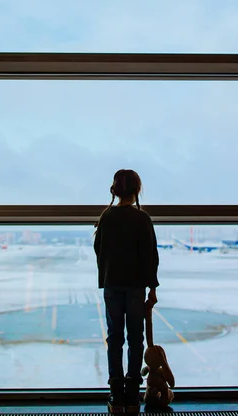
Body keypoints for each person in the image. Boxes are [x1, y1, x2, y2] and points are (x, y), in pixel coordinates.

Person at [94, 169, 159, 414]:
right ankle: (133, 394)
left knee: (115, 338)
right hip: (135, 287)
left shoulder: (107, 217)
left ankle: (116, 393)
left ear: (115, 190)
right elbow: (150, 256)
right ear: (136, 190)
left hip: (112, 284)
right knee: (135, 338)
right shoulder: (142, 219)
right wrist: (152, 288)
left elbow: (99, 250)